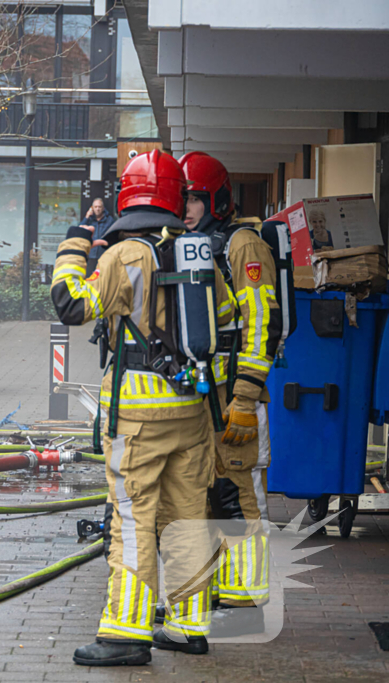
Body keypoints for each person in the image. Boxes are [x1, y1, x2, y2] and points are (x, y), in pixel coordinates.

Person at [53, 150, 233, 666]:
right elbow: (225, 329)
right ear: (177, 198)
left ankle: (126, 634)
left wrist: (75, 241)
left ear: (127, 197)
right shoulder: (198, 252)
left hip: (137, 419)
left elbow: (71, 305)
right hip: (193, 414)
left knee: (134, 521)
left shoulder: (124, 255)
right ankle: (187, 625)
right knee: (188, 519)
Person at [180, 151, 280, 637]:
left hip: (234, 398)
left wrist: (245, 397)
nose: (188, 208)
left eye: (196, 199)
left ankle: (246, 597)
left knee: (236, 493)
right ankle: (218, 588)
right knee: (202, 494)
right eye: (183, 199)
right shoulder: (188, 245)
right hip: (200, 397)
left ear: (217, 198)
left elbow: (263, 323)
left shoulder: (243, 245)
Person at [81, 197, 115, 264]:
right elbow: (80, 230)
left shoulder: (109, 220)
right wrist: (87, 217)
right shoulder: (88, 220)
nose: (97, 209)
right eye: (95, 207)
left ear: (103, 208)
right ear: (92, 208)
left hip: (104, 255)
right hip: (90, 256)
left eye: (99, 207)